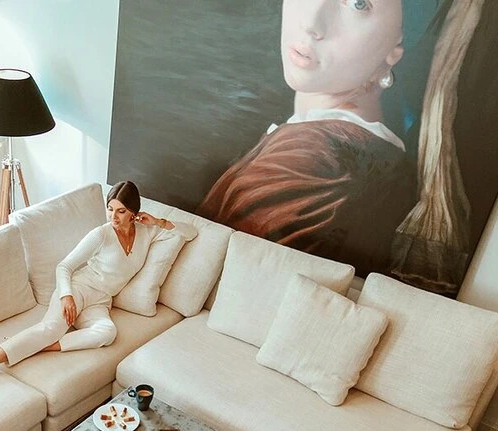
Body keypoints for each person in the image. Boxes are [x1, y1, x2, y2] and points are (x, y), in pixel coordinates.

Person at [197, 0, 480, 292]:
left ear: (397, 46)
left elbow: (232, 289)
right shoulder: (361, 150)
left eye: (359, 3)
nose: (312, 23)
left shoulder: (317, 159)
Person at [0, 181, 195, 394]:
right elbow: (65, 266)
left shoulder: (147, 232)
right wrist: (67, 296)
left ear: (133, 211)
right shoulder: (101, 234)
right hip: (79, 289)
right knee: (50, 328)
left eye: (121, 211)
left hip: (101, 301)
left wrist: (158, 222)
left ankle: (40, 348)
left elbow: (190, 232)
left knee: (107, 333)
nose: (113, 217)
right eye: (110, 209)